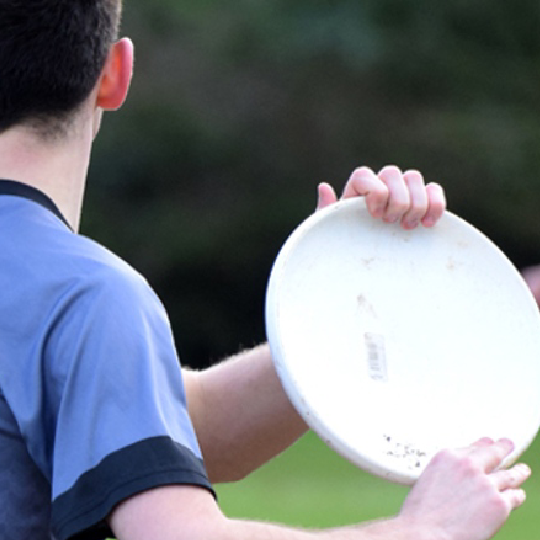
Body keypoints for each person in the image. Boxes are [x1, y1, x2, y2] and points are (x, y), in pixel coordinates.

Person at [0, 2, 531, 540]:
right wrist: (425, 529)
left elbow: (183, 423)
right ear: (115, 74)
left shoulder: (63, 298)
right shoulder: (85, 297)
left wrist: (338, 297)